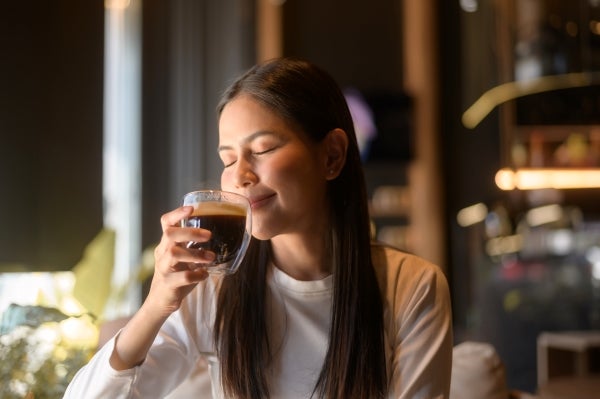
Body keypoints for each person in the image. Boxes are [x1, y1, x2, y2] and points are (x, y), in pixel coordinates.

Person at [64, 57, 453, 399]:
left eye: (263, 149)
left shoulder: (411, 286)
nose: (240, 176)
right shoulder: (214, 290)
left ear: (332, 156)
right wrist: (156, 305)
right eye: (228, 158)